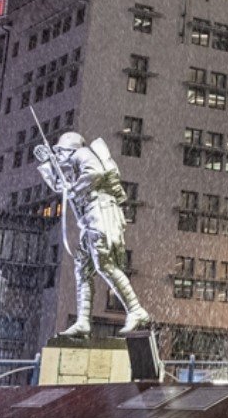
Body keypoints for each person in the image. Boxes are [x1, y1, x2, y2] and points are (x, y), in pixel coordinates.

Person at [35, 131, 152, 336]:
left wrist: (76, 189)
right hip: (90, 217)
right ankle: (83, 321)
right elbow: (60, 185)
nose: (59, 156)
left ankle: (136, 310)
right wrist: (47, 162)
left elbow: (95, 172)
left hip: (101, 211)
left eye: (59, 152)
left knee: (104, 263)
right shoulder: (72, 165)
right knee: (83, 268)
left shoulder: (82, 154)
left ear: (68, 149)